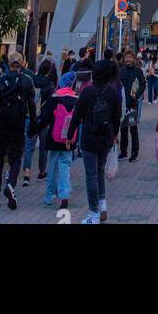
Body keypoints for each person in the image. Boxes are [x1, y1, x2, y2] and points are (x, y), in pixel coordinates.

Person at [68, 58, 121, 224]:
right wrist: (114, 134)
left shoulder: (87, 92)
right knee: (99, 171)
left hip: (89, 138)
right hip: (106, 138)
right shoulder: (113, 91)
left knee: (91, 175)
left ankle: (93, 213)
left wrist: (70, 135)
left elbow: (76, 117)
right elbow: (117, 117)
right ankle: (102, 204)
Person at [0, 51, 37, 211]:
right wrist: (34, 124)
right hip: (18, 124)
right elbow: (32, 106)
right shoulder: (26, 81)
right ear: (22, 64)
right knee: (15, 158)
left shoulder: (1, 81)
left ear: (9, 64)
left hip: (1, 125)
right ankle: (10, 185)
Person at [36, 71, 77, 213]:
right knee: (65, 165)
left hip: (54, 137)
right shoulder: (76, 99)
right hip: (69, 138)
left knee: (52, 165)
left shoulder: (55, 98)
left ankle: (49, 195)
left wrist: (34, 130)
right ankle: (65, 194)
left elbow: (45, 117)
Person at [22, 58, 55, 185]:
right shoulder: (49, 84)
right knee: (43, 146)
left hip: (30, 117)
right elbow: (52, 104)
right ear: (49, 71)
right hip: (44, 119)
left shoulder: (32, 80)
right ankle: (42, 172)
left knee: (29, 146)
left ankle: (26, 173)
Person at [118, 48, 146, 162]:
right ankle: (123, 152)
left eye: (130, 57)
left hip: (133, 104)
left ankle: (135, 153)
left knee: (133, 129)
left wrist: (138, 94)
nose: (128, 60)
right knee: (123, 129)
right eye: (126, 58)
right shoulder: (121, 71)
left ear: (133, 59)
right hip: (123, 104)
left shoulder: (138, 71)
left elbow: (143, 84)